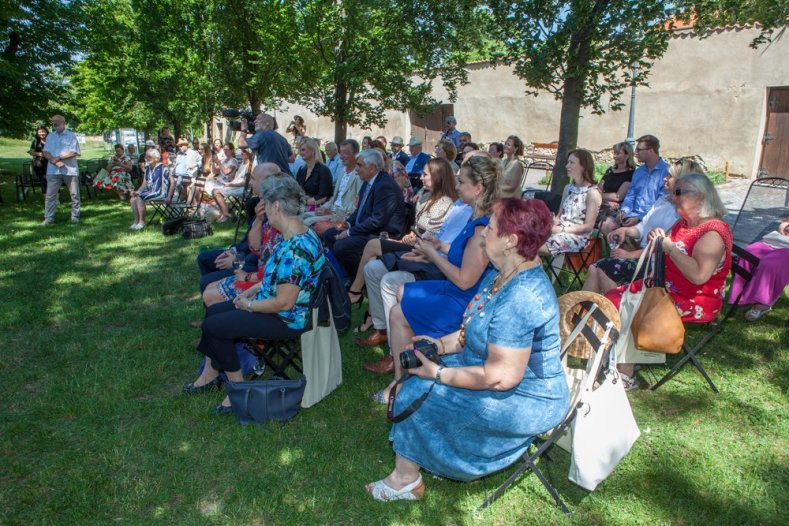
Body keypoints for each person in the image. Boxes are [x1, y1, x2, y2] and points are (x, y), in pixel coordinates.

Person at [364, 198, 569, 501]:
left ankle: (405, 480)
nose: (484, 231)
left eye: (492, 226)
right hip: (487, 366)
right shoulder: (499, 274)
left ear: (511, 241)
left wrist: (441, 373)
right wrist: (438, 344)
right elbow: (467, 330)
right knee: (414, 372)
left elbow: (501, 376)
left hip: (526, 395)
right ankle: (420, 457)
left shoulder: (523, 296)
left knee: (421, 390)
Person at [182, 176, 326, 415]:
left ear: (277, 205)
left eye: (266, 204)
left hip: (285, 318)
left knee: (215, 326)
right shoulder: (296, 234)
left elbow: (284, 301)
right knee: (214, 313)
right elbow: (280, 278)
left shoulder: (296, 249)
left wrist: (248, 305)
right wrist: (253, 289)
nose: (264, 209)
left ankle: (237, 391)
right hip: (276, 306)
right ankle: (211, 375)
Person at [359, 155, 498, 373]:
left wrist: (432, 254)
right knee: (401, 291)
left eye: (461, 182)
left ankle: (402, 373)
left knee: (397, 309)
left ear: (479, 188)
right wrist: (441, 246)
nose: (457, 185)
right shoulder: (474, 216)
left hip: (466, 300)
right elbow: (467, 256)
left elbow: (465, 280)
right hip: (459, 289)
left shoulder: (481, 227)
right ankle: (409, 356)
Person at [605, 172, 733, 389]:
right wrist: (658, 238)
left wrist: (668, 246)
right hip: (667, 288)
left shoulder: (712, 232)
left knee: (631, 305)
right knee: (612, 298)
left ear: (700, 197)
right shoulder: (684, 223)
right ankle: (618, 359)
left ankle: (626, 374)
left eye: (679, 192)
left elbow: (699, 276)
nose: (673, 197)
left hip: (695, 299)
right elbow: (664, 244)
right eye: (674, 192)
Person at [346, 158, 459, 307]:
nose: (420, 178)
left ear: (437, 176)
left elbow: (433, 235)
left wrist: (415, 237)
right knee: (371, 257)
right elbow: (418, 227)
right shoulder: (425, 197)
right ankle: (364, 301)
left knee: (373, 245)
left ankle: (355, 291)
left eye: (425, 175)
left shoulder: (445, 202)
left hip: (423, 249)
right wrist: (413, 234)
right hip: (415, 243)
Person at [584, 158, 703, 294]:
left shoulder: (681, 212)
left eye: (670, 176)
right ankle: (591, 308)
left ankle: (615, 308)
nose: (665, 178)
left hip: (654, 263)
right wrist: (624, 230)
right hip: (644, 253)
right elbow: (643, 227)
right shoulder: (663, 200)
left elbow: (665, 248)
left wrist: (631, 255)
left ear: (683, 181)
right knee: (598, 267)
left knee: (600, 268)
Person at [200, 170, 287, 308]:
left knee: (208, 287)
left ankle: (218, 316)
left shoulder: (282, 225)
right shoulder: (259, 207)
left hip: (260, 276)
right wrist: (234, 251)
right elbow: (254, 246)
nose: (250, 182)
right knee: (205, 269)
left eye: (253, 178)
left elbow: (267, 263)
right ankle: (214, 315)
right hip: (256, 268)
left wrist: (238, 263)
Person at [323, 149, 406, 278]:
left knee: (342, 246)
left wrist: (350, 232)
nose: (356, 169)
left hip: (382, 234)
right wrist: (347, 224)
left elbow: (377, 221)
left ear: (372, 168)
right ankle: (346, 275)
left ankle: (359, 282)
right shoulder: (369, 182)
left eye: (359, 165)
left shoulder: (385, 186)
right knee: (329, 234)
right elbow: (360, 210)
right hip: (368, 229)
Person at [602, 134, 670, 235]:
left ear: (650, 151)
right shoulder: (639, 172)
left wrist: (639, 218)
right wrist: (624, 211)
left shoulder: (667, 173)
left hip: (652, 221)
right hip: (631, 216)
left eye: (639, 150)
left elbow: (661, 205)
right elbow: (630, 195)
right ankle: (618, 249)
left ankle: (627, 249)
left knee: (625, 234)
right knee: (606, 225)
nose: (635, 153)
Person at [539, 149, 602, 256]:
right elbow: (559, 216)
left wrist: (561, 229)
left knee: (531, 247)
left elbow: (588, 227)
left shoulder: (592, 193)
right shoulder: (568, 188)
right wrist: (551, 222)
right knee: (525, 238)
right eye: (568, 162)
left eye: (571, 162)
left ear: (583, 166)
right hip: (559, 231)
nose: (567, 166)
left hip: (577, 237)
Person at [729, 218, 789, 321]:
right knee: (748, 253)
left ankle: (762, 303)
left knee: (770, 264)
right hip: (778, 241)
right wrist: (783, 226)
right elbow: (785, 222)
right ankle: (741, 295)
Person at [303, 139, 363, 236]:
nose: (341, 156)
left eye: (345, 153)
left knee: (307, 221)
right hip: (328, 208)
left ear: (356, 154)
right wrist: (322, 208)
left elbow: (356, 204)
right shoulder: (342, 171)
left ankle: (313, 248)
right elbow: (334, 198)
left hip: (340, 214)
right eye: (341, 152)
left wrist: (330, 210)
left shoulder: (359, 175)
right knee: (301, 215)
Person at [40, 115, 81, 226]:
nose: (55, 124)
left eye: (57, 121)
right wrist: (53, 159)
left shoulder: (71, 136)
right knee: (50, 195)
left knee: (74, 194)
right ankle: (48, 218)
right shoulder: (50, 137)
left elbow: (74, 152)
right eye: (53, 122)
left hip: (69, 170)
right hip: (53, 170)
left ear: (63, 122)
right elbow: (46, 151)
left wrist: (58, 158)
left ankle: (75, 217)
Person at [597, 142, 636, 232]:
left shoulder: (631, 174)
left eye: (618, 153)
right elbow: (597, 190)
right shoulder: (610, 171)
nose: (614, 156)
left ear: (627, 155)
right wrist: (606, 200)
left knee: (605, 224)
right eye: (614, 153)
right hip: (603, 204)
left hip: (617, 209)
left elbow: (618, 197)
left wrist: (600, 195)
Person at [129, 148, 169, 230]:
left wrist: (169, 197)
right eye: (146, 157)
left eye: (149, 157)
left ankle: (142, 222)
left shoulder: (163, 168)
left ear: (156, 158)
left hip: (160, 192)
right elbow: (144, 184)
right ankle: (136, 221)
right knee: (133, 198)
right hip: (150, 192)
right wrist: (138, 191)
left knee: (140, 198)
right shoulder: (148, 168)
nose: (146, 159)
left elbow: (172, 182)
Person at [208, 142, 243, 223]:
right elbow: (215, 171)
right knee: (210, 186)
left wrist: (219, 162)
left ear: (232, 151)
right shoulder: (224, 160)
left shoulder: (233, 161)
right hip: (220, 181)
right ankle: (223, 212)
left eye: (227, 150)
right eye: (224, 150)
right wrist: (213, 162)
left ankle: (226, 214)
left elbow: (227, 172)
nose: (225, 151)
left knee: (215, 191)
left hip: (227, 183)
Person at [295, 138, 334, 208]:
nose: (300, 153)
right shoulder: (301, 170)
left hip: (318, 208)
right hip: (301, 206)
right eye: (300, 150)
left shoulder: (323, 170)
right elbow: (296, 191)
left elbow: (323, 197)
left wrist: (304, 202)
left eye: (303, 150)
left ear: (313, 151)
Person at [165, 138, 200, 203]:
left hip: (187, 176)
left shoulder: (193, 153)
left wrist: (194, 165)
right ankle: (168, 198)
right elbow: (176, 164)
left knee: (177, 182)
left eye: (181, 145)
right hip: (176, 176)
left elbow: (200, 162)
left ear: (186, 145)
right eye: (179, 146)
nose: (179, 147)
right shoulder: (179, 154)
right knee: (167, 180)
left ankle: (176, 200)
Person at [27, 125, 49, 191]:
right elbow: (31, 152)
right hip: (40, 165)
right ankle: (46, 199)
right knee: (43, 180)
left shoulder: (51, 140)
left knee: (53, 181)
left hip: (51, 163)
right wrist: (40, 154)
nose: (42, 133)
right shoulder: (35, 141)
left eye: (43, 131)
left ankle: (55, 198)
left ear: (46, 132)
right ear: (37, 133)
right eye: (39, 132)